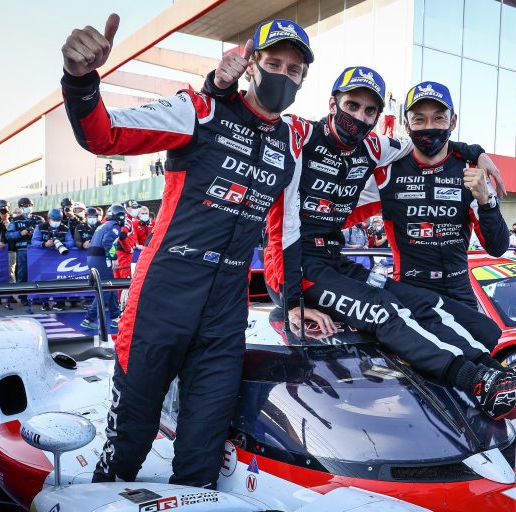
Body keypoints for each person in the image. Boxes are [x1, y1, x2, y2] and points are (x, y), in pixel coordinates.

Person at [62, 14, 329, 486]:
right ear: (251, 64)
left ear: (303, 79)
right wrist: (81, 81)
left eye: (293, 69)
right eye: (273, 62)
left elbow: (283, 234)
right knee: (129, 441)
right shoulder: (200, 110)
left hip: (226, 310)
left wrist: (290, 305)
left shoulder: (293, 141)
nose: (282, 75)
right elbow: (103, 135)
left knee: (202, 453)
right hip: (163, 294)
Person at [238, 66, 516, 423]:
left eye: (369, 111)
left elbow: (494, 240)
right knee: (384, 310)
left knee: (436, 310)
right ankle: (482, 382)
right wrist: (291, 301)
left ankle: (498, 376)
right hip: (298, 268)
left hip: (357, 264)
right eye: (351, 105)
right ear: (332, 102)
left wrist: (477, 153)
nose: (359, 117)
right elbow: (256, 122)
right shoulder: (301, 136)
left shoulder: (381, 150)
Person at [354, 81, 510, 312]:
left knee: (482, 343)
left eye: (438, 118)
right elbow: (337, 218)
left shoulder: (471, 170)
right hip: (409, 295)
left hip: (459, 295)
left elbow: (498, 247)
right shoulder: (387, 172)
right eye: (419, 119)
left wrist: (487, 202)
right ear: (406, 125)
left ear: (453, 121)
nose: (429, 126)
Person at [81, 205, 124, 330]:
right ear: (118, 215)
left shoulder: (103, 225)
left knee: (111, 286)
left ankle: (116, 317)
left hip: (92, 257)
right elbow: (107, 243)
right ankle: (88, 319)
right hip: (101, 258)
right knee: (105, 289)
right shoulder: (114, 225)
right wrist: (114, 257)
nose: (124, 218)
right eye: (123, 215)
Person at [6, 198, 44, 305]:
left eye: (29, 205)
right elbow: (8, 235)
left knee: (37, 272)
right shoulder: (16, 220)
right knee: (23, 274)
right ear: (20, 207)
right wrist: (21, 233)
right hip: (23, 249)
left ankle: (36, 296)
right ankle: (23, 297)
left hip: (37, 250)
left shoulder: (39, 219)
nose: (27, 208)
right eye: (24, 206)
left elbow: (47, 230)